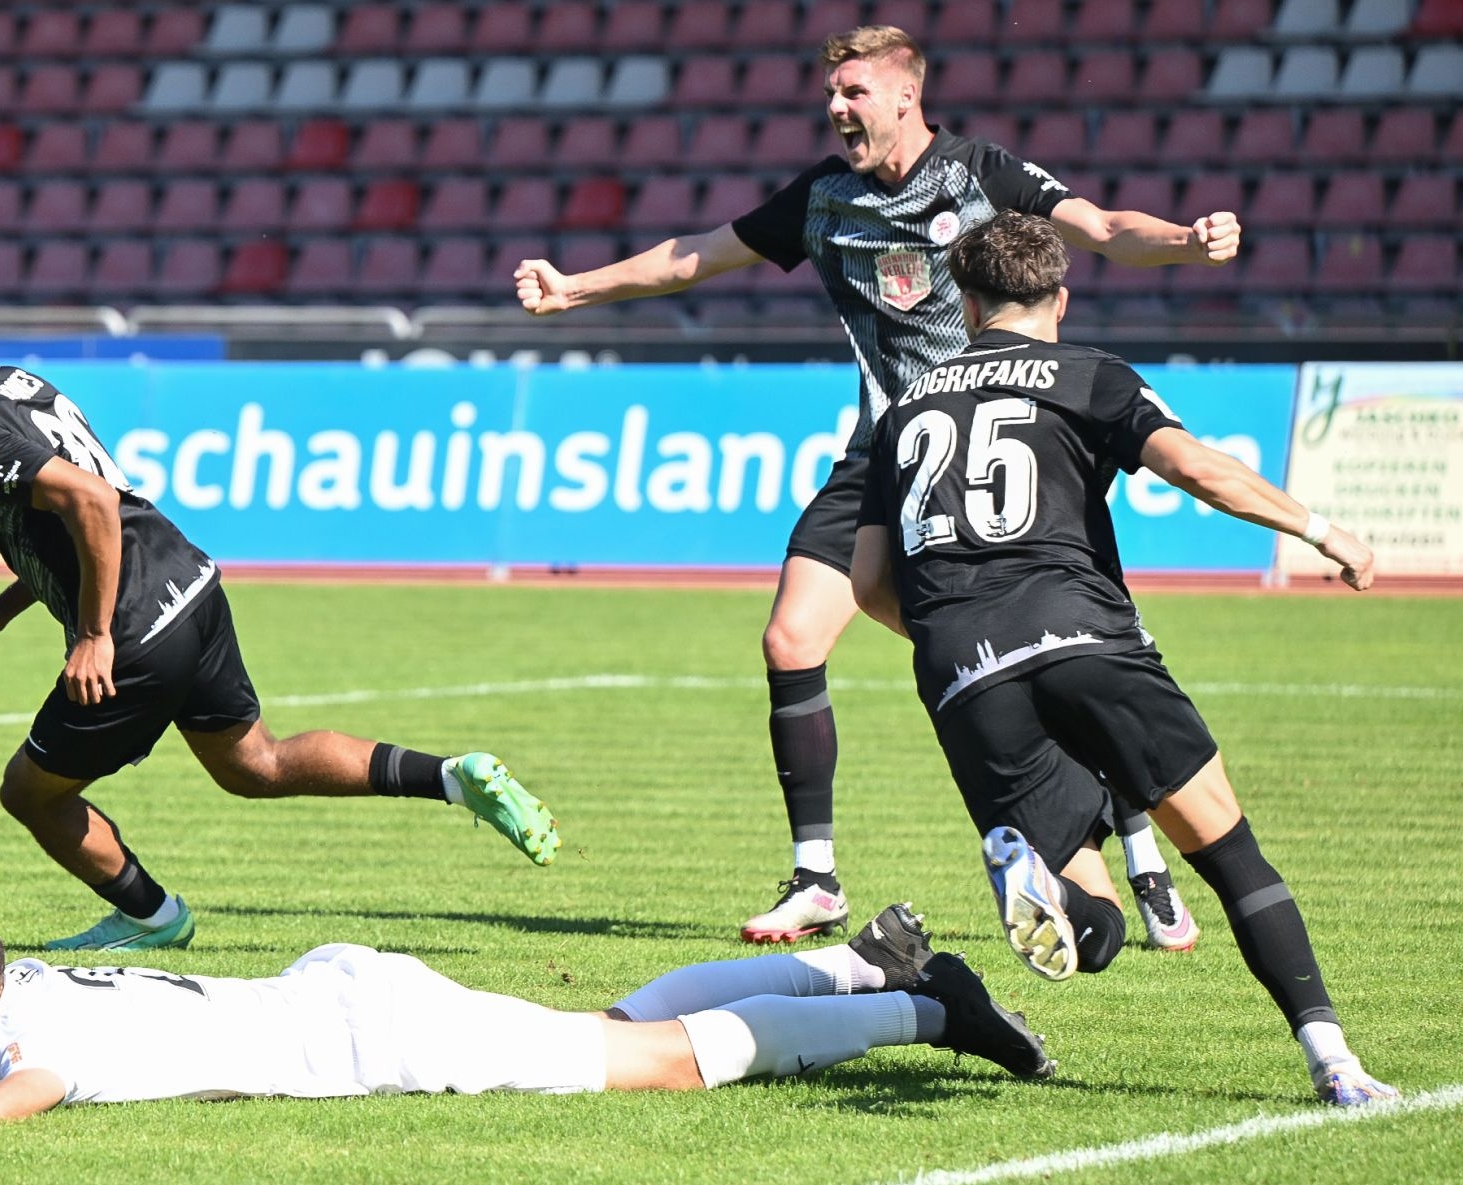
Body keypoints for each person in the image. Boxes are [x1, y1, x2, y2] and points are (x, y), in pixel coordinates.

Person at [515, 25, 1232, 950]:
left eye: (853, 92)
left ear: (905, 95)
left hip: (983, 446)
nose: (836, 107)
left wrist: (1185, 241)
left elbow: (1098, 228)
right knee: (790, 638)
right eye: (831, 93)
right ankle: (816, 880)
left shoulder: (980, 174)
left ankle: (1138, 843)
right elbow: (699, 253)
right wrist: (573, 290)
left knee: (1058, 650)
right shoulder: (825, 197)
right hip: (883, 448)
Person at [848, 211, 1394, 1106]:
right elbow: (1198, 470)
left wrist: (961, 641)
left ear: (967, 306)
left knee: (1093, 929)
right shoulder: (1087, 373)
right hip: (1083, 636)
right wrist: (1323, 532)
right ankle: (1335, 1063)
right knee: (1231, 856)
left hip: (962, 671)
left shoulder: (904, 405)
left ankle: (1056, 894)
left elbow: (869, 583)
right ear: (1059, 299)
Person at [0, 285, 560, 952]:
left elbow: (92, 502)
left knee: (30, 793)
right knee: (254, 764)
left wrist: (95, 635)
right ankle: (453, 776)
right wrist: (1, 609)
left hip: (132, 627)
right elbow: (73, 521)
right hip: (190, 585)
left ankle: (153, 918)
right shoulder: (8, 383)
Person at [0, 899, 1052, 1122]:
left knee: (660, 1065)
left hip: (373, 1035)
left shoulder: (30, 1042)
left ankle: (928, 1010)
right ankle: (857, 966)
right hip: (338, 988)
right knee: (617, 1022)